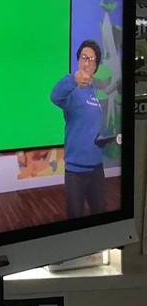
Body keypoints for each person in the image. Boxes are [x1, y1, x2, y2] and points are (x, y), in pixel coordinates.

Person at [50, 39, 105, 219]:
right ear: (78, 60)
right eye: (84, 57)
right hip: (76, 172)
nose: (87, 62)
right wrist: (74, 79)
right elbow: (55, 97)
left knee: (100, 215)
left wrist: (102, 138)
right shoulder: (71, 89)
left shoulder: (95, 91)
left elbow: (90, 124)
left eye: (92, 59)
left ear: (96, 66)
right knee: (75, 217)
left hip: (96, 168)